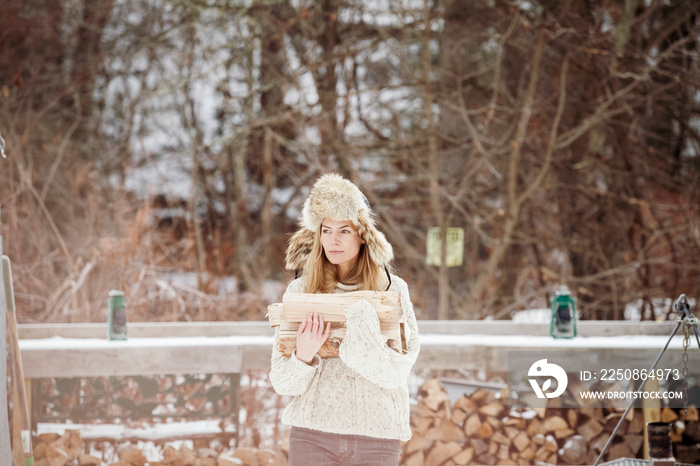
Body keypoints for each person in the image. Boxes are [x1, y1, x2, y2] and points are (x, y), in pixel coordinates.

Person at [270, 173, 420, 466]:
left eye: (344, 231)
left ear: (363, 234)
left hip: (376, 440)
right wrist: (303, 355)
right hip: (312, 437)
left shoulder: (392, 290)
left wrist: (358, 327)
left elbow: (394, 374)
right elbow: (281, 382)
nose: (333, 240)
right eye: (326, 230)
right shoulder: (301, 291)